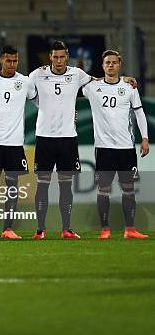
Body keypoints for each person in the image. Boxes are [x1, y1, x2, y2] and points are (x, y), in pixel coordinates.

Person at [28, 40, 136, 240]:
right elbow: (21, 90)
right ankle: (40, 230)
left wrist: (123, 80)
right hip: (44, 137)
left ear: (67, 56)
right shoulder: (37, 74)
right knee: (42, 183)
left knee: (65, 184)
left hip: (68, 137)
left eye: (62, 57)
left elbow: (100, 81)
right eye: (55, 57)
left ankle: (66, 229)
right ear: (50, 57)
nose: (59, 61)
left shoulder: (77, 74)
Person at [82, 50, 149, 239]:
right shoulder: (92, 87)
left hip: (126, 147)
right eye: (107, 63)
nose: (110, 65)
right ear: (102, 66)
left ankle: (130, 229)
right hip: (103, 148)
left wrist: (144, 138)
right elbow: (71, 82)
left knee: (128, 188)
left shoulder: (130, 87)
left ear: (120, 65)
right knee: (104, 189)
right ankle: (105, 230)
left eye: (114, 62)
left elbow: (139, 113)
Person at [0, 45, 37, 240]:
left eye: (15, 61)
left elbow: (40, 103)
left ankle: (8, 229)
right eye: (8, 60)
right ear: (1, 60)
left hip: (15, 143)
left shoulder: (25, 82)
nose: (12, 64)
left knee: (12, 186)